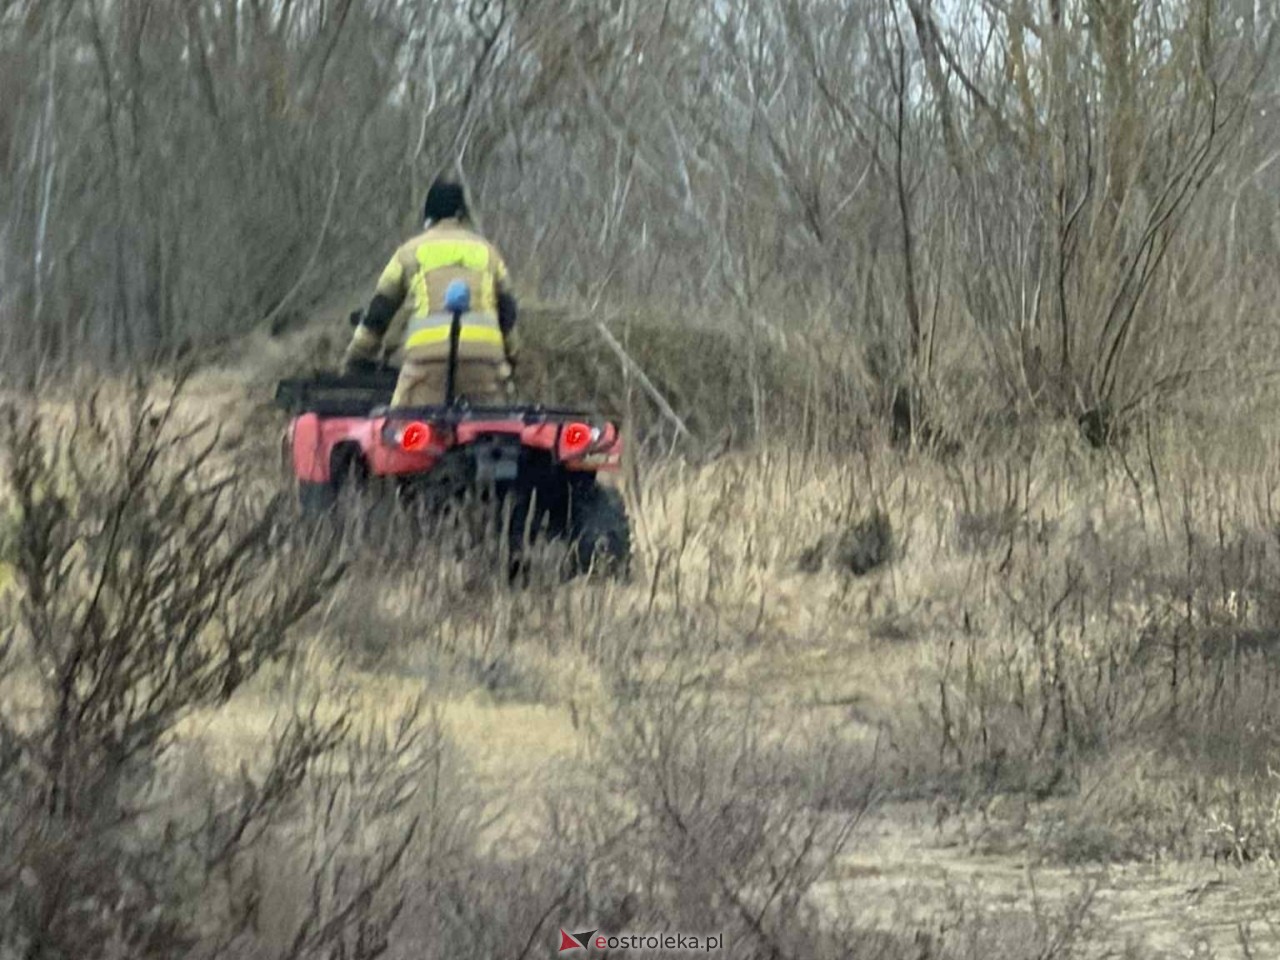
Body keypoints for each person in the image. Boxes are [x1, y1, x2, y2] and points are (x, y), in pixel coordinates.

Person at [341, 179, 519, 406]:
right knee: (493, 427)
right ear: (463, 215)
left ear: (428, 216)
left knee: (403, 429)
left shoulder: (409, 253)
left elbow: (379, 312)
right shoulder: (488, 253)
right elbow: (508, 313)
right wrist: (511, 358)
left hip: (426, 366)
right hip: (484, 364)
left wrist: (357, 357)